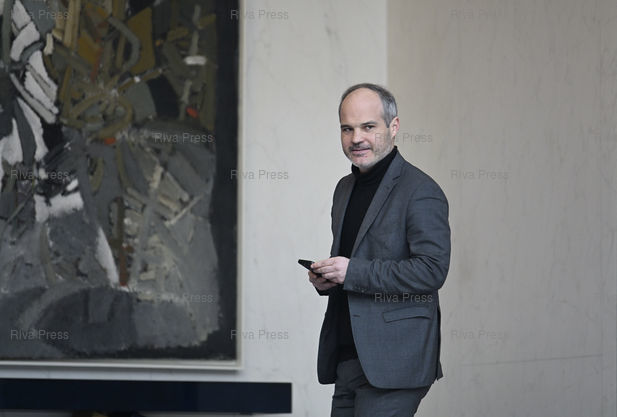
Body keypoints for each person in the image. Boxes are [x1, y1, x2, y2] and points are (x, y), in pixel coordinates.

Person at [308, 83, 451, 416]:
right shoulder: (344, 188)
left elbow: (432, 269)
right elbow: (354, 263)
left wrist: (351, 271)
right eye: (347, 128)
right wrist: (328, 279)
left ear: (394, 127)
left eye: (368, 126)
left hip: (394, 362)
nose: (356, 138)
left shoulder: (421, 190)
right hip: (347, 358)